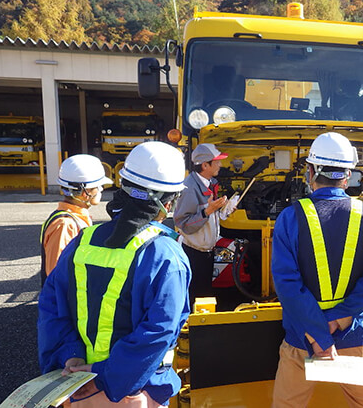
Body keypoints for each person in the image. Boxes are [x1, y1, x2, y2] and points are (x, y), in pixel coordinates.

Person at [38, 141, 191, 407]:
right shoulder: (166, 254)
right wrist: (105, 377)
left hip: (78, 383)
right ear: (168, 201)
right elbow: (159, 330)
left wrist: (70, 356)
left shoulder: (83, 240)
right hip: (133, 391)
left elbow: (51, 305)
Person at [271, 132, 363, 408]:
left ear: (311, 172)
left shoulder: (289, 217)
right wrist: (337, 322)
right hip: (353, 338)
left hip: (303, 341)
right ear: (347, 176)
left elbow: (287, 286)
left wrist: (319, 337)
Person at [173, 143, 238, 308]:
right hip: (194, 254)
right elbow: (183, 224)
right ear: (205, 165)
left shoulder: (208, 183)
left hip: (205, 252)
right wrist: (209, 210)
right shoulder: (189, 188)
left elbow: (209, 216)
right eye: (216, 162)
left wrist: (224, 210)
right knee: (196, 297)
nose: (220, 165)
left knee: (204, 297)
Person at [40, 154, 112, 285]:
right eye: (99, 186)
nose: (101, 190)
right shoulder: (65, 224)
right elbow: (56, 273)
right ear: (86, 192)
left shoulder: (76, 218)